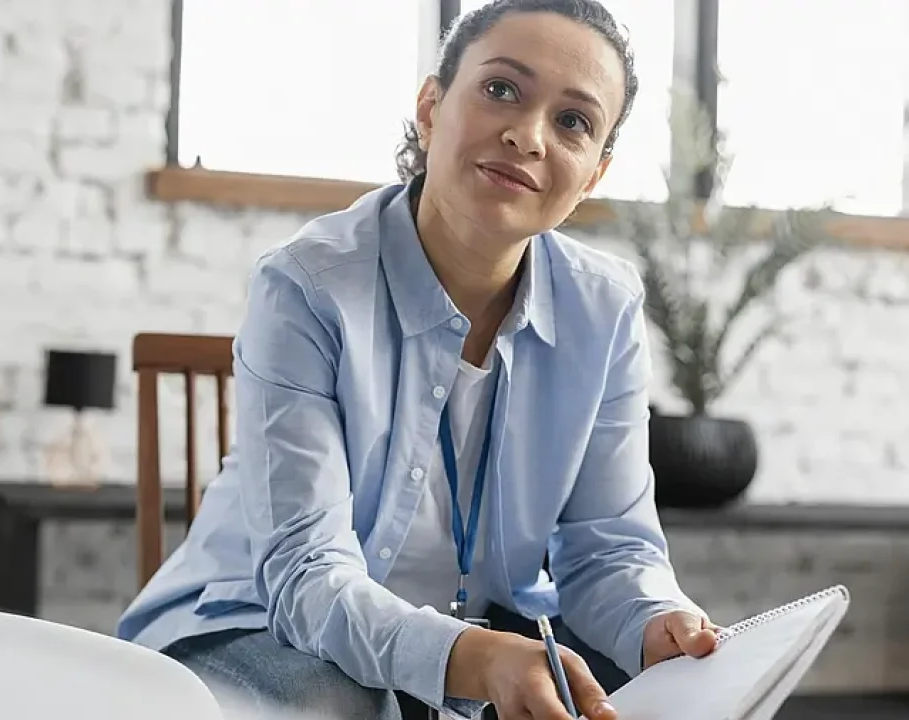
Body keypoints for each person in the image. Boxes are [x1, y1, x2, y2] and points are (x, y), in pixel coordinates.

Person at [117, 1, 722, 719]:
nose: (526, 136)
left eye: (573, 123)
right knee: (346, 703)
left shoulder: (606, 309)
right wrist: (466, 659)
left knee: (638, 692)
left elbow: (608, 550)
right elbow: (306, 575)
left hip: (482, 634)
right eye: (502, 89)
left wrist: (659, 621)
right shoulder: (307, 286)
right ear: (431, 107)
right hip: (252, 624)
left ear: (594, 173)